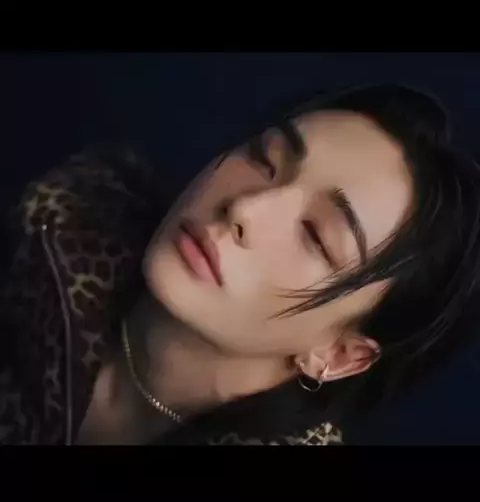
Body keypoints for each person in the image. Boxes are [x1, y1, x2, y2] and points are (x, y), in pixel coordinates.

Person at [1, 83, 479, 445]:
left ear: (338, 355)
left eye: (316, 235)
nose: (245, 209)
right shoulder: (53, 233)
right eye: (263, 159)